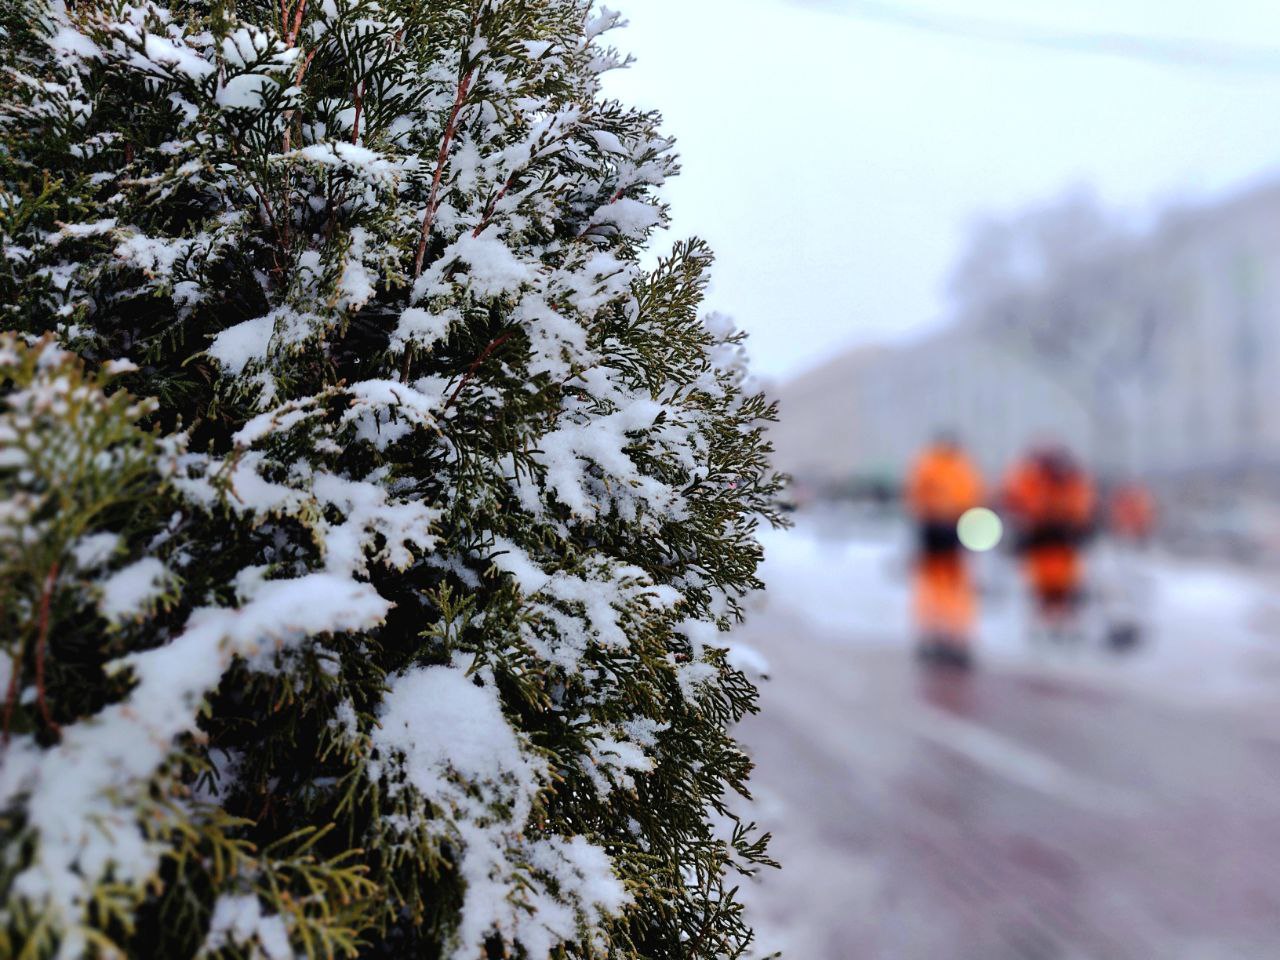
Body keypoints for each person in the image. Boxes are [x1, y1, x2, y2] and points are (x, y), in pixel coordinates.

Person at [905, 433, 984, 667]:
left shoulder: (940, 466)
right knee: (939, 586)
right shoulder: (940, 467)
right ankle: (941, 633)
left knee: (950, 586)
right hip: (938, 533)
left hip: (948, 533)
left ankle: (949, 634)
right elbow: (917, 498)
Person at [1001, 444, 1096, 639]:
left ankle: (1062, 620)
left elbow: (1082, 507)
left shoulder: (1072, 482)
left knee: (1065, 583)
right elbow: (1016, 500)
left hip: (1062, 540)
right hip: (1042, 538)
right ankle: (1045, 620)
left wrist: (1077, 524)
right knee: (1042, 583)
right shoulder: (1032, 480)